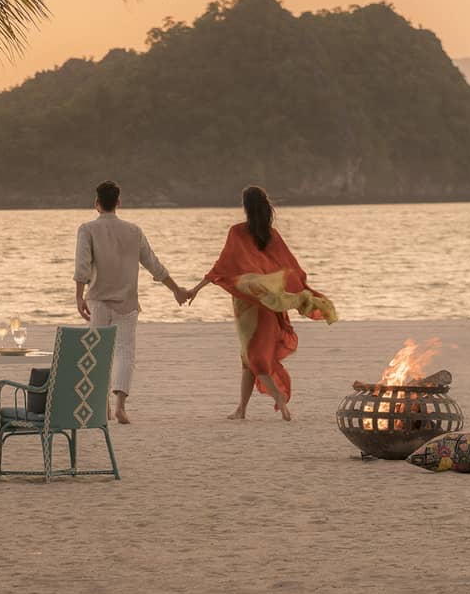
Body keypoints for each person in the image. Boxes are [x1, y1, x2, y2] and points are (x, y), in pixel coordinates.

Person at [186, 185, 336, 421]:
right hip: (269, 302)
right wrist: (301, 292)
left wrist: (196, 288)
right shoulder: (271, 235)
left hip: (247, 305)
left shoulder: (237, 232)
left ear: (245, 207)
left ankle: (279, 398)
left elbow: (222, 267)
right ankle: (242, 409)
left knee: (254, 356)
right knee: (248, 356)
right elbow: (290, 269)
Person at [74, 180, 187, 424]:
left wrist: (78, 296)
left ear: (96, 204)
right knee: (125, 353)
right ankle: (120, 408)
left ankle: (101, 406)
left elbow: (82, 266)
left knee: (97, 353)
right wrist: (176, 290)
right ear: (118, 203)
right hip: (127, 302)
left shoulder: (87, 229)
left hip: (98, 301)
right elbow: (153, 265)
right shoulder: (133, 231)